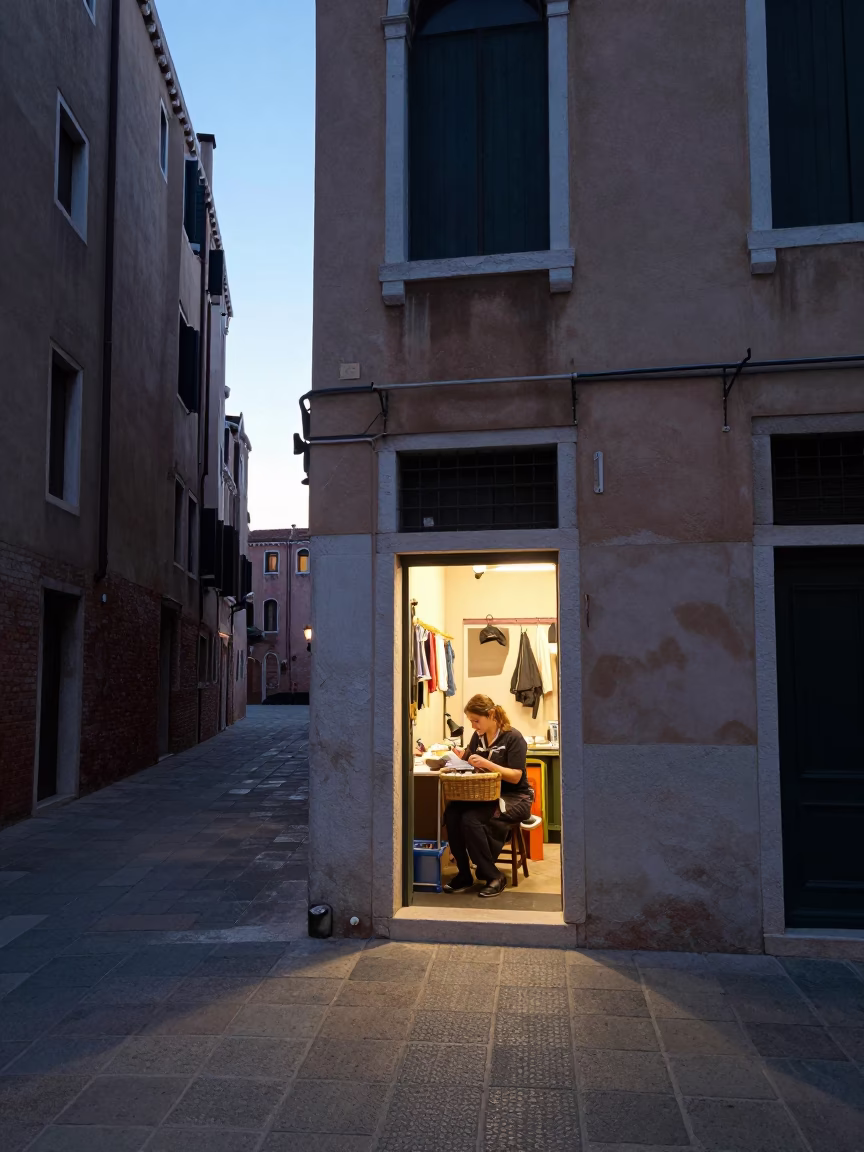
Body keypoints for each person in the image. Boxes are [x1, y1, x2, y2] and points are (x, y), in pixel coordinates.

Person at [442, 694, 534, 898]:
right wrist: (459, 758)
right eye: (471, 721)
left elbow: (516, 777)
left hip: (516, 797)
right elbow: (468, 760)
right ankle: (464, 874)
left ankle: (493, 875)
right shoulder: (478, 737)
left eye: (477, 720)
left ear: (491, 714)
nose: (474, 726)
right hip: (487, 795)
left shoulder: (513, 737)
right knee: (452, 813)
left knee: (471, 819)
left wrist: (487, 764)